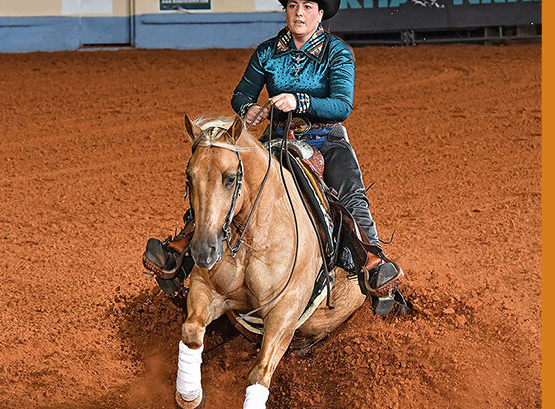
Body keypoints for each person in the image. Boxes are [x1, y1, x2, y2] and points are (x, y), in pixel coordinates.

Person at [142, 0, 404, 315]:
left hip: (327, 140)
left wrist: (300, 100)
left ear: (320, 14)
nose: (299, 12)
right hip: (275, 141)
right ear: (286, 11)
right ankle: (182, 253)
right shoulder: (267, 52)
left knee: (349, 196)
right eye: (293, 5)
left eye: (308, 6)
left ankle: (374, 266)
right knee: (223, 184)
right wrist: (247, 109)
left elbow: (341, 105)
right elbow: (241, 94)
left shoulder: (338, 52)